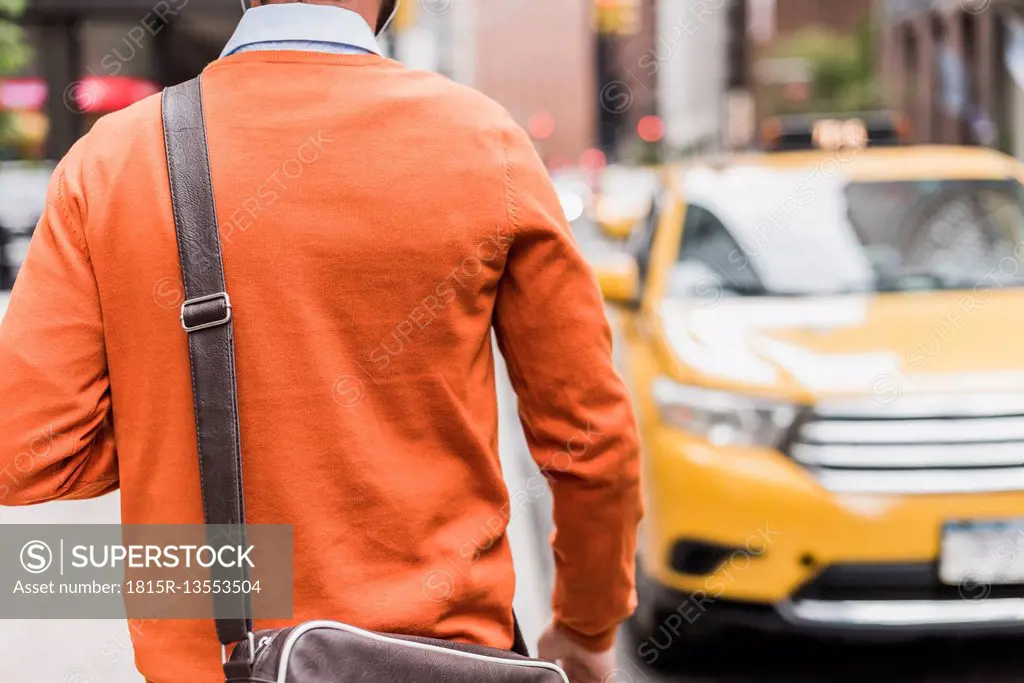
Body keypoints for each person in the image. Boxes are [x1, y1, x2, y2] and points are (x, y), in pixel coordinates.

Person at [0, 1, 642, 681]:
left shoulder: (110, 159)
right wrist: (585, 625)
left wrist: (174, 422)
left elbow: (22, 452)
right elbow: (592, 443)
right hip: (442, 657)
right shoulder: (484, 142)